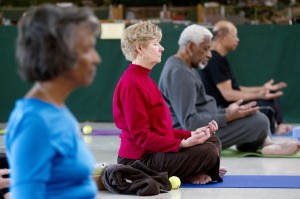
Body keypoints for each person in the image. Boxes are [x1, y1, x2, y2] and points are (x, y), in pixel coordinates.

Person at [4, 4, 101, 198]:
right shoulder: (34, 122)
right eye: (87, 49)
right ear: (59, 54)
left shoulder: (55, 109)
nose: (96, 58)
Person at [113, 21, 226, 185]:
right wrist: (181, 143)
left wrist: (191, 134)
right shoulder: (132, 84)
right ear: (139, 48)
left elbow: (161, 130)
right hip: (137, 161)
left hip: (153, 154)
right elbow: (142, 137)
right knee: (208, 151)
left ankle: (194, 171)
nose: (161, 48)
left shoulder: (143, 78)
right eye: (155, 44)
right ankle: (194, 171)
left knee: (212, 141)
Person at [158, 24, 298, 155]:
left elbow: (198, 111)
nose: (209, 54)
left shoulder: (180, 67)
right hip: (191, 138)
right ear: (190, 47)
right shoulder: (180, 73)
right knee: (259, 120)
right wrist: (227, 116)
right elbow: (189, 123)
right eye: (206, 48)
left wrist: (227, 111)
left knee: (254, 116)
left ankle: (261, 143)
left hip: (205, 125)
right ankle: (264, 145)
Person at [200, 20, 291, 135]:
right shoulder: (215, 59)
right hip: (223, 109)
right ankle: (275, 130)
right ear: (222, 38)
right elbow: (229, 95)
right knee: (268, 104)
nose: (237, 40)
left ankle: (278, 126)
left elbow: (236, 89)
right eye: (234, 36)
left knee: (270, 94)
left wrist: (262, 89)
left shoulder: (219, 58)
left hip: (228, 104)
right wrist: (259, 95)